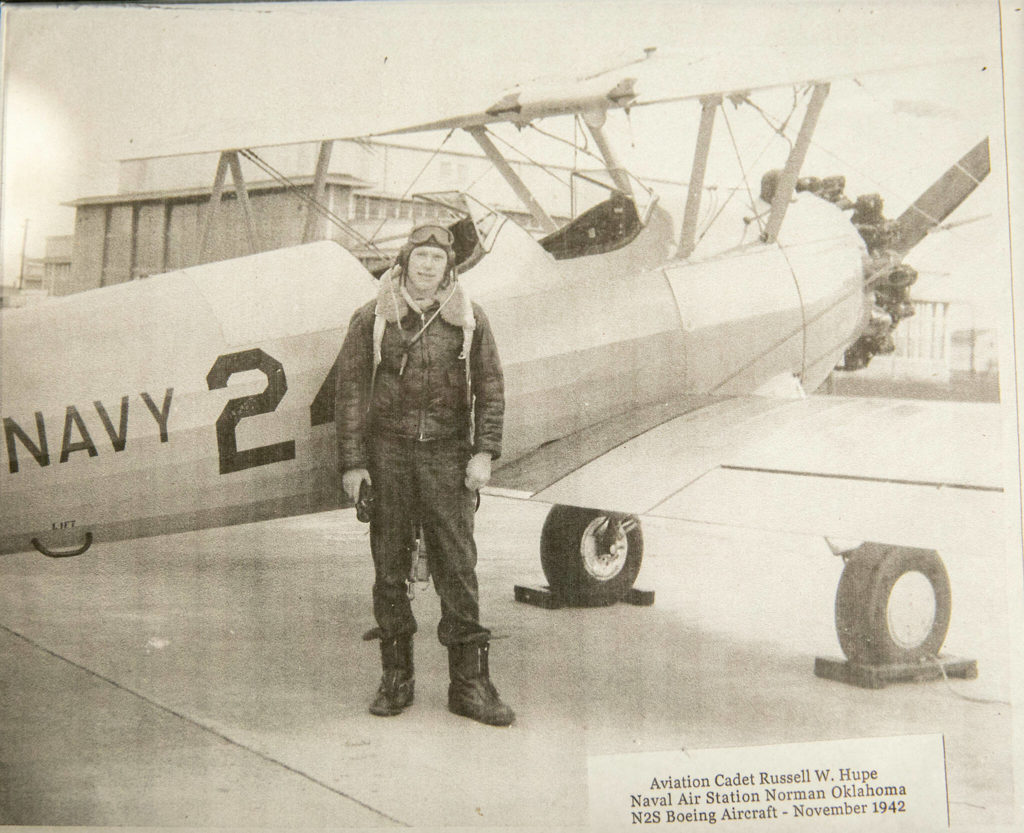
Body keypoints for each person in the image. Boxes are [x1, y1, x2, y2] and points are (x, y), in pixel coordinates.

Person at [335, 223, 514, 727]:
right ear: (404, 261)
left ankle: (470, 686)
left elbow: (491, 390)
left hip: (447, 457)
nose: (428, 265)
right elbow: (350, 395)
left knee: (458, 568)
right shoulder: (371, 318)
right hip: (389, 457)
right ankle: (397, 679)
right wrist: (354, 463)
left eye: (438, 257)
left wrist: (485, 453)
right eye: (421, 256)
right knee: (389, 570)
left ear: (448, 267)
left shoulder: (470, 318)